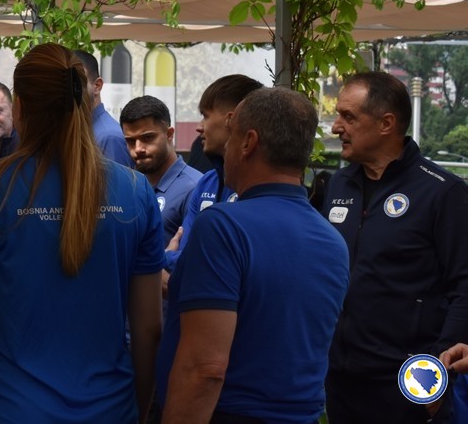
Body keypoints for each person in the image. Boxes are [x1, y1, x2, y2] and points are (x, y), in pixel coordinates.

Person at [0, 43, 164, 423]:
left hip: (11, 411)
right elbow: (148, 329)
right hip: (111, 409)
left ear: (20, 108)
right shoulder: (136, 190)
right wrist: (139, 410)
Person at [157, 87, 349, 423]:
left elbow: (205, 368)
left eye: (231, 135)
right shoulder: (333, 241)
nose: (225, 147)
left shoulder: (223, 226)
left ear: (248, 143)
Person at [323, 71, 468, 424]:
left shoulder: (443, 192)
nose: (336, 127)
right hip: (339, 380)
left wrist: (438, 373)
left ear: (386, 124)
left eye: (348, 117)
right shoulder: (338, 185)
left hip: (409, 385)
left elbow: (464, 288)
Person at [162, 75, 263, 278]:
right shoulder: (206, 182)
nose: (199, 126)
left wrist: (169, 259)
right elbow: (190, 255)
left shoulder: (257, 186)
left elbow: (224, 266)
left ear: (231, 121)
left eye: (206, 116)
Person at [120, 95, 202, 246]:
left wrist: (168, 259)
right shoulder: (127, 185)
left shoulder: (195, 187)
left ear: (169, 134)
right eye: (131, 141)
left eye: (147, 138)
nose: (138, 149)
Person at [71, 49, 132, 167]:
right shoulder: (85, 129)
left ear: (97, 86)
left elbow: (116, 179)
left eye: (79, 83)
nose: (72, 90)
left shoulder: (109, 138)